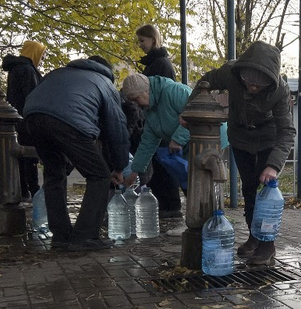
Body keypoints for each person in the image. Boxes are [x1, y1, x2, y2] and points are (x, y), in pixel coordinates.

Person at [190, 41, 295, 266]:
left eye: (259, 84)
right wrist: (190, 109)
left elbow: (287, 131)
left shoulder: (280, 90)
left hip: (268, 139)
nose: (253, 87)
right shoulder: (230, 73)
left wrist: (273, 166)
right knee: (248, 188)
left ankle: (268, 244)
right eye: (248, 81)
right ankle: (254, 236)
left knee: (266, 192)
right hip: (240, 137)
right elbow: (205, 82)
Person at [23, 56, 129, 251]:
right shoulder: (105, 83)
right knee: (99, 176)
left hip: (32, 116)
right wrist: (119, 166)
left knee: (54, 174)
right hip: (69, 120)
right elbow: (117, 128)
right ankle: (85, 236)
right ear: (107, 72)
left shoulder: (59, 73)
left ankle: (61, 237)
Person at [136, 24, 182, 219]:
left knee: (164, 164)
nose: (140, 45)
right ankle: (167, 204)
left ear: (153, 39)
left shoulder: (160, 65)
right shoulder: (155, 64)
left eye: (142, 41)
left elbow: (160, 95)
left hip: (163, 123)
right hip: (160, 121)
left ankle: (170, 205)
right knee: (159, 163)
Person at [120, 74, 191, 194]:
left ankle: (210, 211)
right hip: (187, 144)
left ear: (147, 91)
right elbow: (148, 142)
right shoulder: (150, 110)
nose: (136, 104)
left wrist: (178, 139)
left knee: (198, 182)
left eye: (137, 98)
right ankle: (198, 211)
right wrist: (134, 171)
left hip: (210, 138)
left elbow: (194, 115)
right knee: (188, 184)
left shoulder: (174, 91)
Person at [1, 40, 46, 202]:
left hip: (17, 119)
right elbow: (33, 95)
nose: (41, 60)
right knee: (30, 156)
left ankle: (23, 190)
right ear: (34, 53)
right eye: (41, 55)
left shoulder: (15, 68)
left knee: (21, 158)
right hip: (27, 120)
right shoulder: (27, 70)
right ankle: (34, 191)